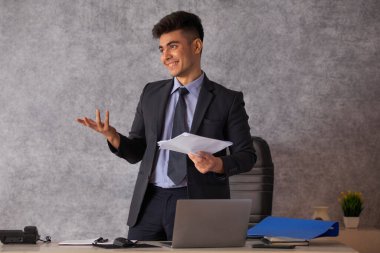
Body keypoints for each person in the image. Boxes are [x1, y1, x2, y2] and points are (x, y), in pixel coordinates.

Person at [77, 11, 256, 241]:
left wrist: (218, 163)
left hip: (197, 203)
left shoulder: (227, 100)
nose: (166, 56)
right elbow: (137, 152)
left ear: (197, 46)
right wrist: (113, 137)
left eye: (172, 46)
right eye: (161, 49)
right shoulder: (150, 93)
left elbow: (247, 156)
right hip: (149, 201)